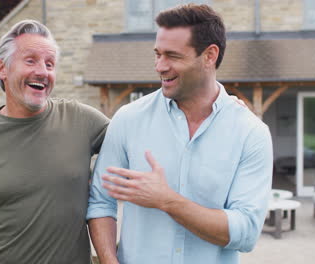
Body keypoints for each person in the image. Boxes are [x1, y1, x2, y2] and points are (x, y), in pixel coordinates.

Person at [87, 4, 273, 264]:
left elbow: (246, 232)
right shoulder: (129, 119)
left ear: (209, 56)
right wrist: (109, 261)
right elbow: (100, 203)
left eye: (172, 56)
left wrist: (168, 201)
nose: (160, 66)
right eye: (157, 54)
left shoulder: (250, 133)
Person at [0, 20, 109, 264]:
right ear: (2, 68)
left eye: (49, 64)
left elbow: (134, 145)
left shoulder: (83, 121)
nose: (42, 71)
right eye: (30, 60)